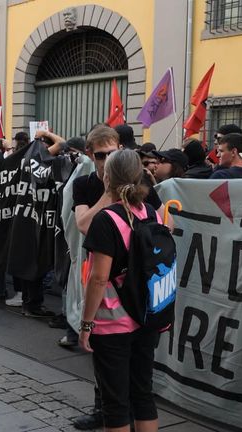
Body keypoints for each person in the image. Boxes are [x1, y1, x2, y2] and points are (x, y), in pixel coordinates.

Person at [69, 125, 163, 430]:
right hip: (147, 314)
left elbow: (98, 279)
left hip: (113, 319)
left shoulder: (105, 222)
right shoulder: (149, 211)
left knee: (115, 402)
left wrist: (85, 324)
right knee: (142, 393)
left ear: (108, 177)